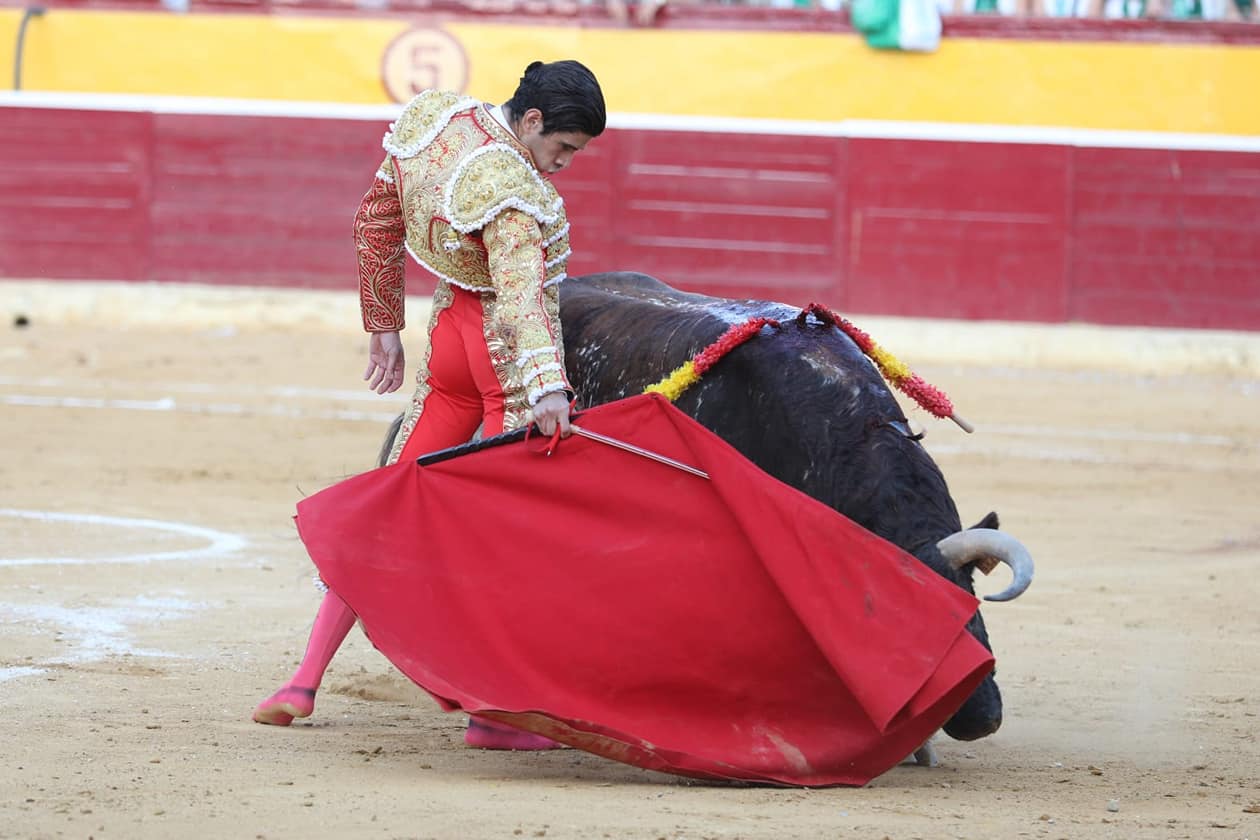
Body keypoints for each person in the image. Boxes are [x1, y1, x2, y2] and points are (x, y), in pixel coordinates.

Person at [252, 59, 607, 751]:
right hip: (499, 359)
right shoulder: (511, 185)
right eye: (561, 148)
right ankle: (493, 716)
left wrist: (383, 327)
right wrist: (547, 386)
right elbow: (522, 294)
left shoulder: (438, 119)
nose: (562, 166)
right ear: (531, 121)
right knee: (504, 536)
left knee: (388, 514)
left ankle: (302, 680)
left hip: (446, 345)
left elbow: (375, 220)